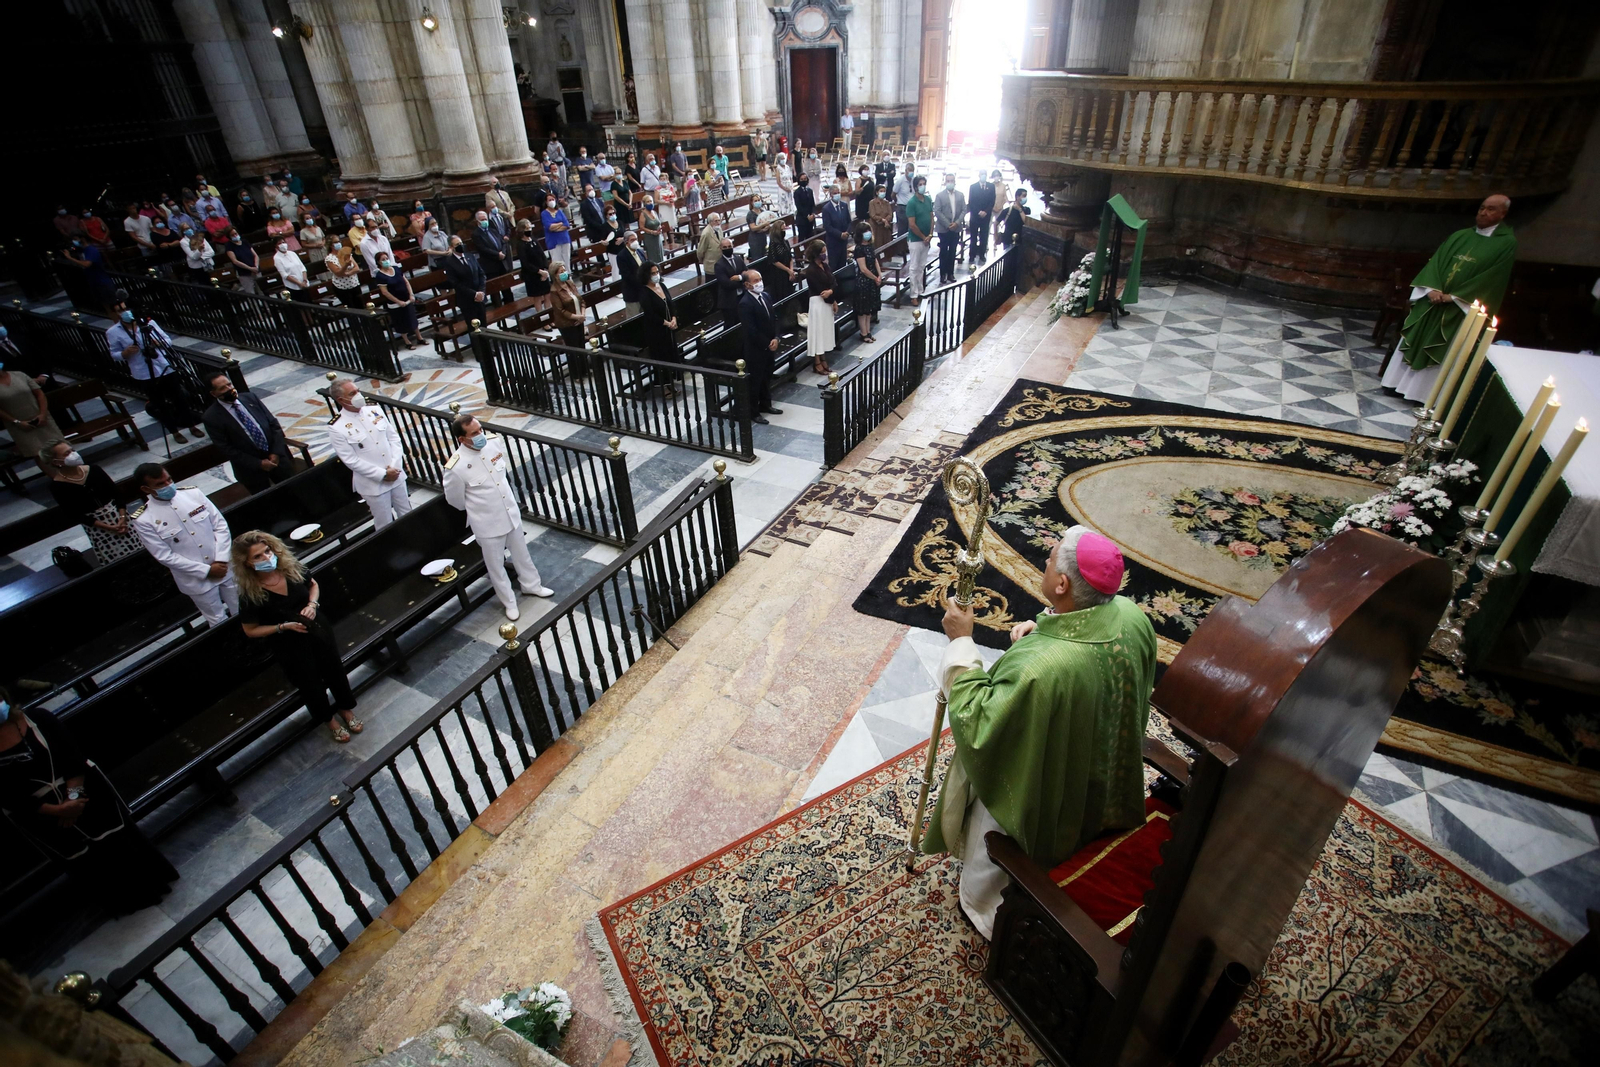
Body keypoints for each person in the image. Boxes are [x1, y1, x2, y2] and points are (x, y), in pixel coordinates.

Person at [923, 527, 1157, 939]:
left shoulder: (1040, 669)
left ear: (1062, 583)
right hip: (1097, 767)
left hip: (1043, 787)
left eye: (1049, 559)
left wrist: (961, 643)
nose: (1045, 562)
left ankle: (983, 908)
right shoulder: (1133, 617)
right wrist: (1046, 628)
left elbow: (979, 722)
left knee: (999, 806)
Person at [0, 691, 178, 914]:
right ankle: (124, 902)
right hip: (41, 814)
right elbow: (7, 795)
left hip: (80, 791)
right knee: (86, 861)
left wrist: (73, 800)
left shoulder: (39, 718)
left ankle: (153, 885)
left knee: (118, 842)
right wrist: (56, 810)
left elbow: (73, 756)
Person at [1381, 194, 1517, 402]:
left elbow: (1492, 278)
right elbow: (1436, 262)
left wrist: (1454, 297)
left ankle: (1420, 394)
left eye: (1490, 209)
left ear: (1503, 214)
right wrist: (1432, 289)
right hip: (1432, 301)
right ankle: (1394, 384)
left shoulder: (1506, 244)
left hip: (1458, 307)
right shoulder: (1460, 235)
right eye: (1482, 207)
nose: (1483, 212)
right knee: (1413, 338)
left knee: (1442, 348)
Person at [235, 532, 363, 743]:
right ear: (247, 563)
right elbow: (250, 630)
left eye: (267, 551)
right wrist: (282, 627)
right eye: (257, 556)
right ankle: (328, 719)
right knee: (309, 682)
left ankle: (345, 708)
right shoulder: (250, 594)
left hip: (316, 628)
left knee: (334, 670)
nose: (266, 558)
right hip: (289, 643)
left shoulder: (289, 568)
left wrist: (312, 605)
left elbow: (313, 585)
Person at [442, 415, 553, 621]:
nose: (480, 435)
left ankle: (532, 585)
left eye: (480, 429)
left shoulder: (493, 443)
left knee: (522, 554)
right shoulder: (456, 467)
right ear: (461, 439)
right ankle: (509, 602)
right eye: (474, 433)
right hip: (487, 522)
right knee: (496, 565)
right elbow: (455, 500)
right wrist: (480, 510)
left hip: (509, 512)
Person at [129, 462, 239, 625]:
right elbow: (164, 555)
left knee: (242, 607)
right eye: (160, 484)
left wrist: (221, 559)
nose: (168, 485)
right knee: (217, 619)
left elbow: (220, 525)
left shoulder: (193, 494)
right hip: (196, 579)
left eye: (169, 480)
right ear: (146, 489)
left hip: (224, 566)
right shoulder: (144, 519)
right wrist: (206, 570)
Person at [106, 307, 205, 442]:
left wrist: (158, 343)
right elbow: (114, 354)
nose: (124, 312)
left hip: (164, 366)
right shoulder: (113, 332)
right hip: (143, 372)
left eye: (125, 308)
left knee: (180, 398)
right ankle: (174, 432)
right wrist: (125, 353)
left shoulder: (148, 323)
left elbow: (167, 340)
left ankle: (191, 425)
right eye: (119, 310)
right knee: (159, 403)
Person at [327, 379, 413, 528]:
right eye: (353, 393)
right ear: (341, 399)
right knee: (384, 522)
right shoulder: (337, 426)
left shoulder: (374, 410)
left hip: (396, 474)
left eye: (358, 391)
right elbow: (350, 460)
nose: (358, 395)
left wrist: (394, 466)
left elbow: (393, 439)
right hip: (373, 483)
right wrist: (383, 474)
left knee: (407, 513)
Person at [40, 441, 142, 564]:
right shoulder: (57, 486)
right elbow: (73, 514)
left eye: (72, 450)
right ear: (56, 462)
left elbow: (116, 493)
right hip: (98, 528)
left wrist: (122, 517)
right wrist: (108, 527)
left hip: (119, 517)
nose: (73, 454)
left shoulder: (94, 470)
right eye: (67, 453)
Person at [201, 372, 293, 492]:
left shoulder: (250, 398)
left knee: (293, 491)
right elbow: (226, 448)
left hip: (277, 460)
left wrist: (275, 453)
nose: (229, 389)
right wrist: (258, 463)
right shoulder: (211, 417)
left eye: (229, 384)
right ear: (214, 393)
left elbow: (273, 425)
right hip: (251, 470)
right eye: (222, 388)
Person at [737, 270, 781, 423]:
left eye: (760, 279)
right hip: (756, 349)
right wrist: (767, 343)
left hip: (770, 345)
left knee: (767, 377)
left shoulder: (766, 296)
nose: (759, 282)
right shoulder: (745, 303)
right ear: (747, 284)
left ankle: (765, 404)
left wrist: (776, 337)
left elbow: (774, 318)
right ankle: (753, 412)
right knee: (755, 381)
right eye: (755, 280)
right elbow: (751, 329)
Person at [0, 361, 63, 466]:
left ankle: (74, 474)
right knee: (39, 455)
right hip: (20, 425)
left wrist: (43, 414)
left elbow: (39, 394)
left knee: (60, 447)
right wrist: (17, 422)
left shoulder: (19, 375)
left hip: (41, 418)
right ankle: (58, 478)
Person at [640, 263, 681, 393]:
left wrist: (673, 318)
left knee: (670, 355)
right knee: (661, 356)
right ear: (646, 275)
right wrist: (666, 323)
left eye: (657, 272)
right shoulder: (644, 292)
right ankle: (663, 386)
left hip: (669, 329)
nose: (656, 275)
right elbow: (650, 314)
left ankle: (671, 381)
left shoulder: (662, 286)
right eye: (652, 273)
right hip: (656, 331)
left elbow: (671, 303)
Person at [440, 237, 489, 340]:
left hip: (480, 297)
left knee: (483, 326)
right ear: (451, 247)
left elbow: (481, 274)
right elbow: (456, 284)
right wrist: (474, 294)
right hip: (467, 300)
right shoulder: (449, 263)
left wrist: (481, 292)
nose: (461, 246)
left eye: (461, 243)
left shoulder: (469, 256)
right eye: (457, 244)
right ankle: (478, 351)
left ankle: (487, 348)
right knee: (473, 327)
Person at [374, 253, 423, 348]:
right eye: (383, 259)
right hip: (395, 303)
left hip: (407, 298)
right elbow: (385, 292)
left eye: (387, 258)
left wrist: (411, 294)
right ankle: (407, 342)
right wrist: (398, 301)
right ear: (379, 262)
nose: (386, 261)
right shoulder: (380, 276)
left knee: (412, 318)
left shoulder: (395, 269)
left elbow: (406, 282)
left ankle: (419, 337)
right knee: (401, 321)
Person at [805, 242, 838, 374]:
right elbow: (820, 291)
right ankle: (817, 362)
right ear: (816, 254)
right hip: (818, 303)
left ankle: (824, 358)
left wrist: (832, 296)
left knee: (824, 331)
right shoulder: (811, 270)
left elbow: (834, 282)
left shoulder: (825, 266)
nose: (825, 254)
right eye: (823, 252)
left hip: (828, 301)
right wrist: (830, 294)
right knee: (818, 332)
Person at [934, 174, 966, 284]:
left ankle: (950, 273)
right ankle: (943, 274)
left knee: (953, 251)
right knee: (944, 251)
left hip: (956, 228)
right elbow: (937, 211)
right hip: (944, 229)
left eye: (952, 181)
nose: (950, 182)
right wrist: (948, 224)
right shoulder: (939, 196)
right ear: (945, 182)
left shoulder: (960, 195)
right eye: (948, 181)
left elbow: (963, 210)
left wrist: (957, 223)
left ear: (955, 182)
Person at [854, 224, 883, 344]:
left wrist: (880, 274)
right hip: (864, 282)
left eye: (869, 231)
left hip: (872, 280)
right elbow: (863, 269)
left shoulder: (870, 246)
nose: (868, 233)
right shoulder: (859, 249)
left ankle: (868, 331)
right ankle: (863, 333)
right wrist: (875, 277)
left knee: (869, 309)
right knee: (863, 310)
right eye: (865, 231)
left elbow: (875, 260)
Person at [906, 176, 934, 300]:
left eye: (924, 183)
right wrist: (923, 237)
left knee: (922, 266)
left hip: (926, 239)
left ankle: (920, 290)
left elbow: (932, 218)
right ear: (916, 186)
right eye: (920, 184)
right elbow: (912, 224)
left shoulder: (927, 200)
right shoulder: (912, 203)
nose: (923, 186)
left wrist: (930, 234)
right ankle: (913, 294)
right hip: (916, 239)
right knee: (914, 267)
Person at [517, 219, 552, 313]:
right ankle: (543, 319)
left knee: (547, 295)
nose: (530, 230)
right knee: (538, 298)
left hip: (543, 272)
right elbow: (525, 263)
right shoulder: (521, 245)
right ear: (522, 230)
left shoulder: (533, 240)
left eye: (530, 228)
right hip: (532, 275)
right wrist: (539, 272)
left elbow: (542, 255)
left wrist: (545, 269)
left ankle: (550, 318)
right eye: (527, 228)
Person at [549, 268, 587, 351]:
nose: (564, 273)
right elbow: (560, 310)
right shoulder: (554, 291)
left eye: (564, 270)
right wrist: (577, 317)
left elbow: (581, 300)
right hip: (567, 324)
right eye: (561, 272)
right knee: (574, 349)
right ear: (555, 275)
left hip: (579, 320)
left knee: (582, 347)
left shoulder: (570, 283)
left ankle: (583, 363)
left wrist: (582, 315)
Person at [714, 239, 748, 327]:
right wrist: (742, 282)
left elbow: (746, 274)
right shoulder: (719, 265)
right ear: (720, 248)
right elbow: (726, 284)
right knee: (730, 325)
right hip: (728, 301)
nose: (727, 248)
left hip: (741, 297)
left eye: (729, 246)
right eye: (725, 247)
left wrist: (739, 277)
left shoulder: (738, 259)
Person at [324, 237, 364, 308]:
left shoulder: (347, 254)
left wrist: (348, 273)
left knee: (361, 306)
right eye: (336, 242)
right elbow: (338, 273)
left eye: (339, 241)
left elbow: (357, 268)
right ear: (331, 245)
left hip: (354, 283)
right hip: (342, 287)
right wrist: (345, 265)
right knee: (350, 308)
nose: (338, 243)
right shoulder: (329, 259)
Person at [473, 210, 512, 280]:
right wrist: (497, 254)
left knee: (506, 286)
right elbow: (483, 248)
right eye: (482, 220)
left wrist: (503, 253)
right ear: (477, 221)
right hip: (490, 265)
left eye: (485, 219)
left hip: (502, 263)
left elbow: (502, 242)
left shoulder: (493, 230)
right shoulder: (476, 234)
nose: (484, 221)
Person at [617, 232, 649, 316]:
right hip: (632, 292)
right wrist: (642, 281)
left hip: (644, 290)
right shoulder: (621, 256)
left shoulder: (640, 251)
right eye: (632, 240)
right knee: (634, 317)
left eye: (636, 239)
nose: (635, 242)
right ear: (626, 242)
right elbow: (627, 275)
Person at [821, 184, 852, 270]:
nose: (837, 194)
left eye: (838, 192)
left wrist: (847, 232)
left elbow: (849, 221)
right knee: (834, 265)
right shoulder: (826, 209)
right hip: (833, 242)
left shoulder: (844, 205)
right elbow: (827, 226)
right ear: (831, 194)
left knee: (843, 264)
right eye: (835, 193)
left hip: (843, 241)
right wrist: (840, 234)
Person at [274, 239, 315, 303]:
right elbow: (284, 275)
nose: (282, 244)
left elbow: (303, 268)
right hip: (293, 286)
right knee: (301, 306)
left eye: (283, 242)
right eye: (279, 243)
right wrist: (299, 283)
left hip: (305, 284)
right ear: (276, 246)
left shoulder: (292, 253)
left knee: (310, 302)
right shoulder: (277, 258)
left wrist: (304, 281)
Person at [968, 170, 996, 263]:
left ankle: (982, 254)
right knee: (974, 236)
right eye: (982, 174)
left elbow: (992, 201)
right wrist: (978, 211)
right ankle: (972, 254)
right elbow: (971, 201)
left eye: (985, 174)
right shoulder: (973, 187)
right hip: (975, 216)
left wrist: (986, 212)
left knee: (984, 236)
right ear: (979, 175)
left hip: (986, 215)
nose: (983, 176)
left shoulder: (991, 186)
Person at [542, 194, 574, 270]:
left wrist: (556, 227)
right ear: (546, 202)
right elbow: (549, 227)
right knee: (557, 263)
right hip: (553, 241)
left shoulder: (559, 211)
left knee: (566, 261)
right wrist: (560, 223)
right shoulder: (544, 214)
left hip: (564, 239)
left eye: (553, 199)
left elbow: (566, 225)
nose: (552, 201)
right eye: (549, 200)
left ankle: (568, 278)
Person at [225, 230, 262, 294]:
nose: (235, 236)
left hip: (256, 269)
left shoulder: (245, 242)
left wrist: (256, 266)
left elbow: (255, 255)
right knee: (250, 292)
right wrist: (250, 268)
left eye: (236, 233)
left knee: (262, 289)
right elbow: (235, 261)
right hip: (244, 273)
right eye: (232, 235)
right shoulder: (229, 246)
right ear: (229, 237)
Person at [768, 226, 797, 300]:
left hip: (788, 270)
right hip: (778, 272)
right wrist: (788, 270)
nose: (784, 231)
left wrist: (791, 270)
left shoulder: (785, 242)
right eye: (782, 229)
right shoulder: (773, 244)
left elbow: (790, 257)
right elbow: (774, 261)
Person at [893, 162, 918, 236]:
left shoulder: (914, 180)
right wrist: (897, 202)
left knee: (912, 228)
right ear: (906, 171)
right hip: (902, 207)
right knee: (902, 230)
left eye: (912, 170)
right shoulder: (900, 180)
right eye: (909, 170)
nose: (911, 172)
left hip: (913, 207)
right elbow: (893, 194)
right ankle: (901, 247)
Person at [638, 194, 664, 263]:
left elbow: (658, 223)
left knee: (660, 254)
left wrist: (660, 229)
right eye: (648, 202)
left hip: (658, 237)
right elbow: (642, 227)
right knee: (653, 256)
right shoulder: (643, 214)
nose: (650, 203)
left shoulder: (654, 212)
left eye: (651, 201)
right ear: (645, 203)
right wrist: (652, 232)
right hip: (649, 238)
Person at [794, 174, 818, 243]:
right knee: (802, 238)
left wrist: (813, 214)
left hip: (810, 219)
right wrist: (807, 216)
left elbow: (812, 204)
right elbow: (799, 206)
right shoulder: (797, 192)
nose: (803, 180)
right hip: (802, 219)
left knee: (810, 238)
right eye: (802, 179)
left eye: (805, 179)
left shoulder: (810, 191)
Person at [989, 170, 1011, 241]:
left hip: (1000, 208)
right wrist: (992, 207)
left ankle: (996, 241)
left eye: (997, 175)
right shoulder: (990, 186)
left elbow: (1005, 197)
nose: (996, 177)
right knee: (988, 225)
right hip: (991, 209)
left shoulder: (1003, 186)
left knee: (997, 225)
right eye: (995, 175)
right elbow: (988, 198)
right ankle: (986, 244)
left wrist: (1003, 206)